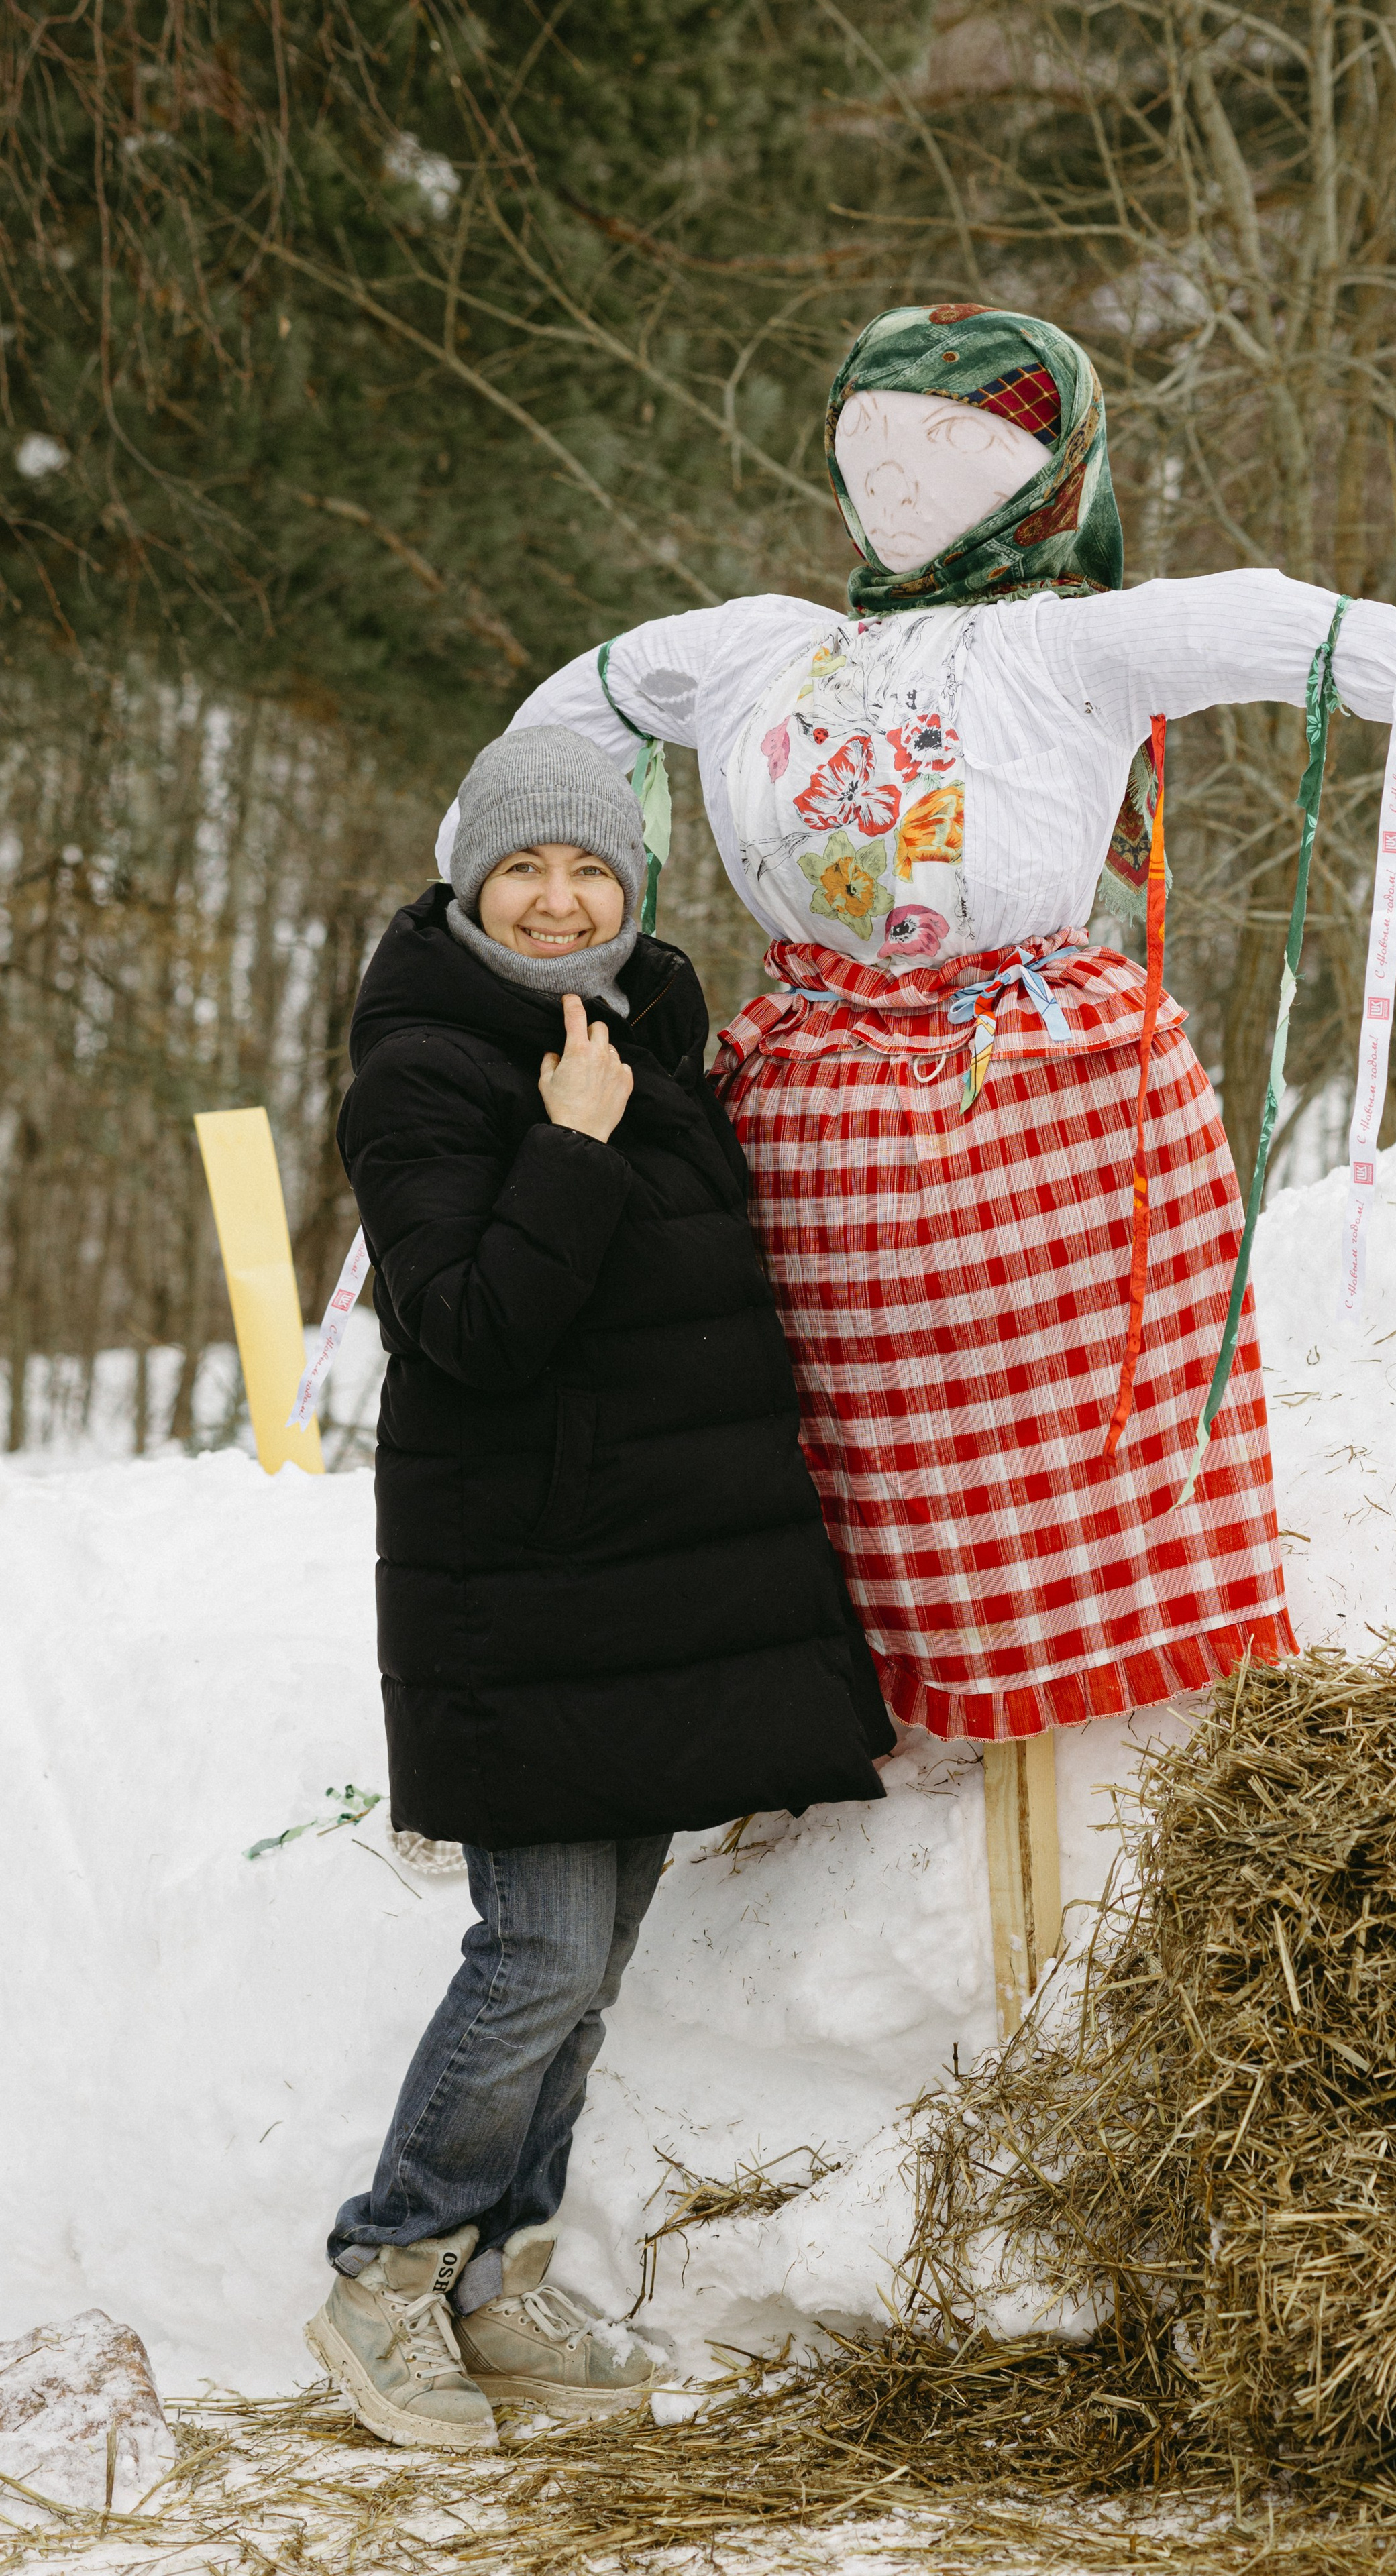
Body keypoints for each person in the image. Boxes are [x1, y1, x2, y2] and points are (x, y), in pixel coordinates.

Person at [436, 301, 1396, 1748]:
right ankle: (864, 1668)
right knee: (845, 1420)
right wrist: (493, 827)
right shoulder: (763, 645)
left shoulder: (1067, 648)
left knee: (1080, 1399)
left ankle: (1116, 1658)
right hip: (815, 1092)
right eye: (865, 440)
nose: (896, 475)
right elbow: (612, 684)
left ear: (1046, 471)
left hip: (1039, 1072)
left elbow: (1246, 620)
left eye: (949, 445)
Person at [306, 726, 892, 2453]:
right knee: (535, 1954)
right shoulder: (426, 1066)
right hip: (526, 1588)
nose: (558, 901)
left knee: (595, 1951)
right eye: (524, 870)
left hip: (641, 1589)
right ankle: (389, 2267)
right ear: (470, 879)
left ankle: (498, 2279)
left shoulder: (651, 1034)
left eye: (591, 874)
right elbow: (468, 1323)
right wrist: (566, 1148)